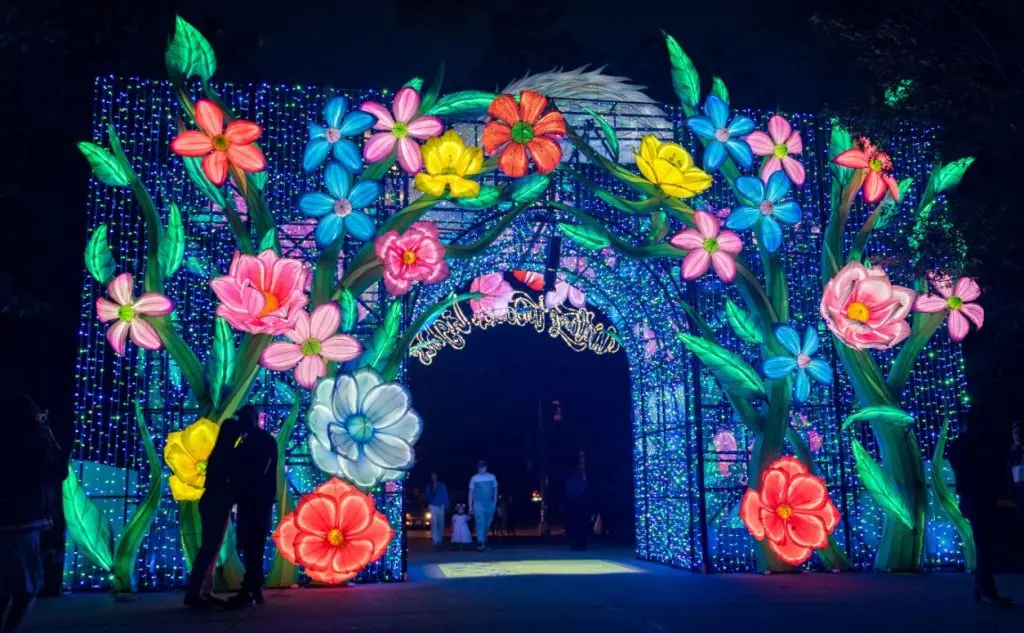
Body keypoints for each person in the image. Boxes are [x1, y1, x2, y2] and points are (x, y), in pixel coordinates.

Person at [1, 394, 67, 633]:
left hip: (13, 521)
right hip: (23, 523)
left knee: (6, 591)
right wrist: (47, 433)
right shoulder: (34, 442)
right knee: (24, 590)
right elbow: (60, 470)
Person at [947, 422, 1013, 605]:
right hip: (978, 499)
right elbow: (977, 472)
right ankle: (986, 589)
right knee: (985, 545)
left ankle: (983, 588)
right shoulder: (968, 446)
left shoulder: (961, 446)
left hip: (974, 498)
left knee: (984, 544)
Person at [183, 414, 245, 609]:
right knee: (209, 547)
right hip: (217, 502)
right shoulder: (228, 454)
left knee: (211, 547)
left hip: (213, 501)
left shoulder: (218, 452)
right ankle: (195, 592)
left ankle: (203, 591)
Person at [226, 406, 277, 609]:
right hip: (253, 499)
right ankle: (252, 587)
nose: (242, 423)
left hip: (256, 499)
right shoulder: (252, 440)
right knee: (251, 545)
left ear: (254, 419)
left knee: (253, 544)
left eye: (245, 419)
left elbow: (259, 469)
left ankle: (250, 588)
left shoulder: (260, 441)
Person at [468, 461, 498, 551]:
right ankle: (480, 542)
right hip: (478, 503)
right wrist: (470, 505)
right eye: (479, 467)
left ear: (486, 467)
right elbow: (471, 492)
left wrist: (495, 503)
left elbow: (495, 491)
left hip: (489, 503)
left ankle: (484, 541)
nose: (481, 469)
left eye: (483, 467)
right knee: (480, 522)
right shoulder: (474, 478)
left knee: (487, 523)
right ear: (477, 468)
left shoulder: (492, 477)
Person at [565, 465, 589, 551]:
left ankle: (576, 544)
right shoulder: (580, 483)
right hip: (579, 506)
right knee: (580, 525)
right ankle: (580, 544)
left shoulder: (571, 482)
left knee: (575, 526)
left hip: (575, 506)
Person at [425, 473, 448, 549]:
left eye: (435, 476)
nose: (433, 478)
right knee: (434, 523)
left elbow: (445, 495)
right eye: (432, 476)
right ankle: (435, 540)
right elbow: (427, 496)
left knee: (440, 523)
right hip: (433, 506)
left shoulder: (442, 485)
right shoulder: (429, 486)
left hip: (441, 505)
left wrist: (445, 504)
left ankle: (440, 540)